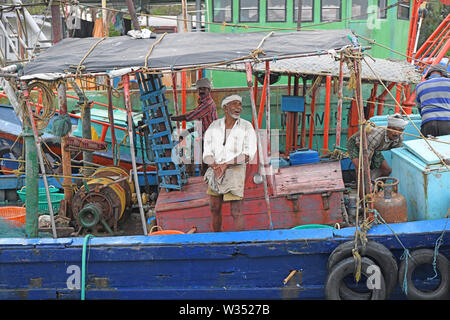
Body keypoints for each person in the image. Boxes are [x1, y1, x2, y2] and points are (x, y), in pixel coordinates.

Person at [202, 94, 257, 232]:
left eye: (240, 105)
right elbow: (206, 152)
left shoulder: (246, 126)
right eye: (235, 104)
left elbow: (248, 154)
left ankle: (239, 244)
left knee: (236, 210)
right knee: (214, 208)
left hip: (235, 171)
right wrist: (214, 165)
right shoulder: (214, 126)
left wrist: (226, 164)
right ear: (225, 108)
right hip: (215, 170)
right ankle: (216, 238)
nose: (239, 108)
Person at [346, 113, 408, 197]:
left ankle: (376, 193)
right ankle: (363, 200)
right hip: (357, 144)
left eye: (400, 130)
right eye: (393, 129)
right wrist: (367, 174)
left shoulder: (399, 138)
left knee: (387, 170)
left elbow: (399, 155)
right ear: (388, 128)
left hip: (374, 148)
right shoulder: (376, 136)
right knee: (361, 170)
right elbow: (366, 160)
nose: (396, 133)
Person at [171, 78, 217, 175]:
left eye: (204, 89)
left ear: (209, 90)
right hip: (204, 137)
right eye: (200, 89)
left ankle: (205, 183)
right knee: (203, 164)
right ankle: (204, 180)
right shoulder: (202, 102)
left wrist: (172, 118)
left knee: (206, 164)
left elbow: (190, 116)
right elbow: (202, 122)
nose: (201, 91)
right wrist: (188, 131)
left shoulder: (208, 104)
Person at [415, 64, 450, 137]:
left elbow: (420, 109)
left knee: (428, 147)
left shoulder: (419, 86)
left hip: (427, 123)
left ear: (429, 75)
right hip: (447, 122)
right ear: (443, 73)